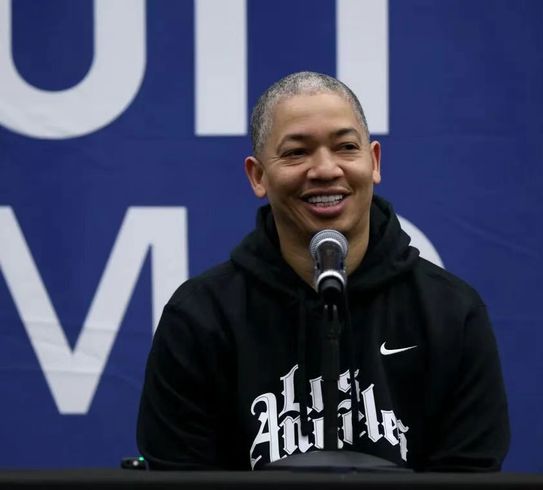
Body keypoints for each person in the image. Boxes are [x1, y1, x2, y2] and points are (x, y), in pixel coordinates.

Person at [136, 71, 510, 471]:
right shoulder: (200, 317)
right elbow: (178, 477)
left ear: (374, 161)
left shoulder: (451, 312)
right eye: (296, 153)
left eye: (346, 147)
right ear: (258, 176)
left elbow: (470, 477)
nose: (326, 169)